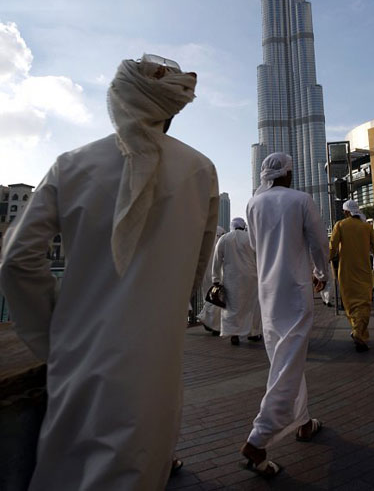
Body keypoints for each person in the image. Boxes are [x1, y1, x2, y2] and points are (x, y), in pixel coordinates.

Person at [0, 54, 219, 491]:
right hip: (154, 360)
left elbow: (17, 260)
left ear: (116, 101)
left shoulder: (71, 165)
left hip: (78, 355)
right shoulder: (201, 171)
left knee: (64, 469)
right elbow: (196, 268)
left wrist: (55, 336)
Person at [241, 152, 328, 477]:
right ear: (288, 174)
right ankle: (258, 438)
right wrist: (322, 274)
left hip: (268, 295)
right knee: (288, 364)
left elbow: (254, 244)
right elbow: (319, 243)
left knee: (286, 361)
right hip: (294, 291)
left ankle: (303, 422)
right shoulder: (301, 200)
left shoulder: (253, 204)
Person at [330, 199, 374, 352]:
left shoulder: (340, 225)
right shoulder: (367, 227)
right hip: (364, 270)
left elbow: (332, 247)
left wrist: (323, 264)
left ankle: (357, 331)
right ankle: (359, 333)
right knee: (364, 302)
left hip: (345, 270)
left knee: (350, 303)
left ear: (346, 212)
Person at [212, 217, 260, 345]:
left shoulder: (224, 238)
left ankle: (234, 334)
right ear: (243, 226)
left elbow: (216, 260)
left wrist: (215, 279)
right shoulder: (251, 238)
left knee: (232, 307)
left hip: (231, 278)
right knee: (252, 306)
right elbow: (259, 258)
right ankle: (254, 333)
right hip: (251, 277)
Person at [197, 225, 225, 336]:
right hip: (217, 273)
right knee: (216, 299)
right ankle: (211, 323)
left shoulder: (205, 239)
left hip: (206, 272)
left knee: (209, 297)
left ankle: (210, 322)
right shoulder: (222, 239)